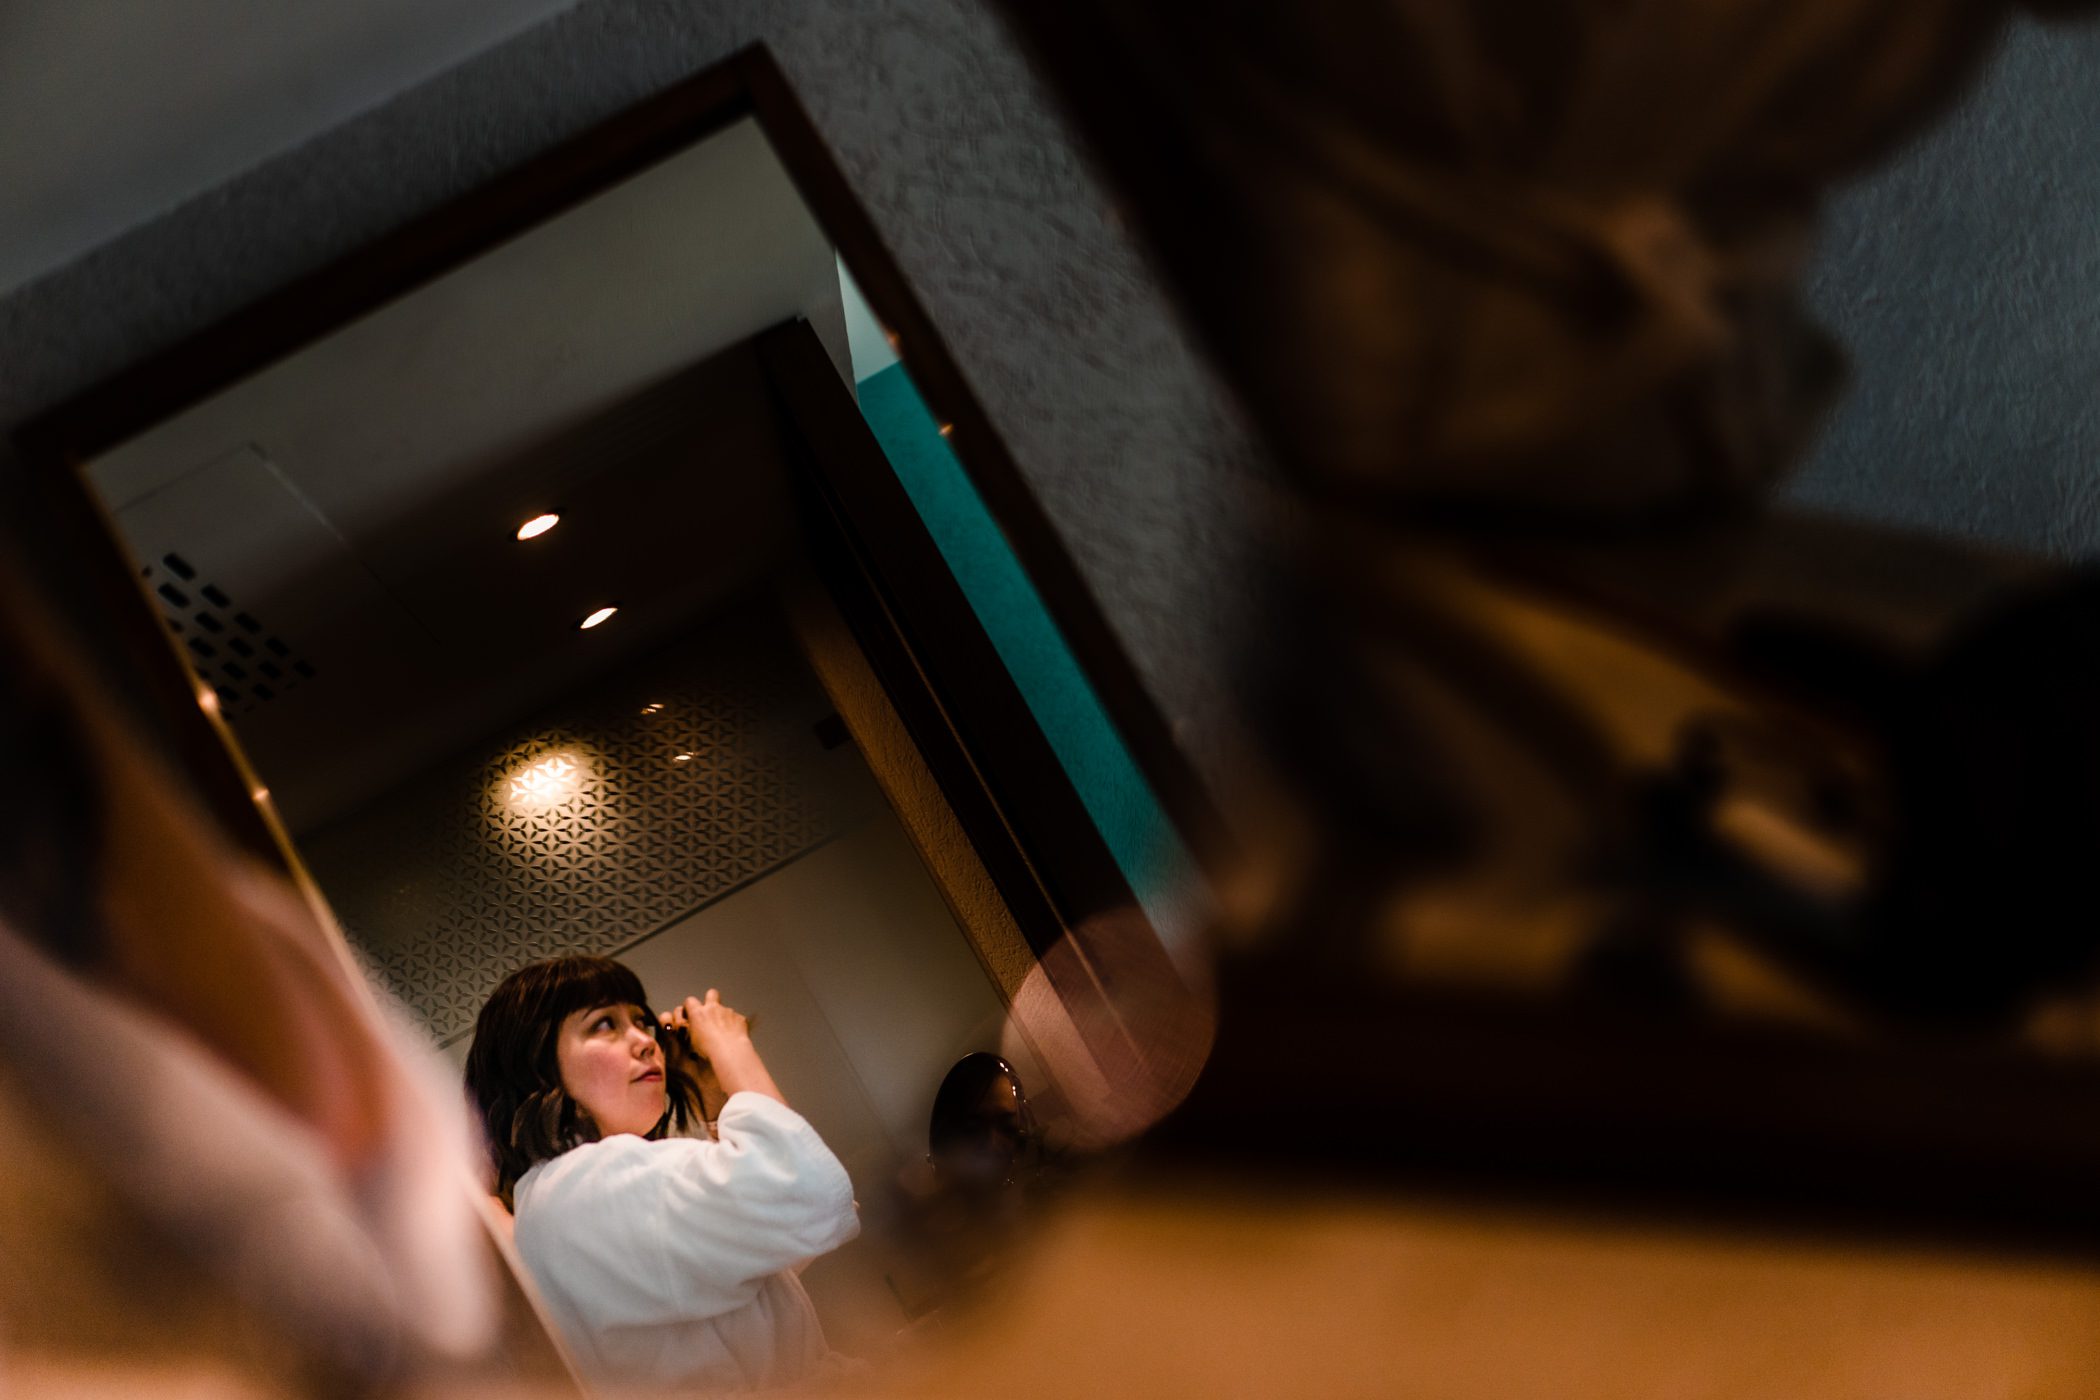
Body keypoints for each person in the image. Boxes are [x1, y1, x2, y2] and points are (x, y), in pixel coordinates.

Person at [463, 955, 859, 1391]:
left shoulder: (572, 1189)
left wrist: (714, 1098)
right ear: (537, 1066)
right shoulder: (587, 1184)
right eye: (603, 1025)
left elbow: (763, 1251)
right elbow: (803, 1197)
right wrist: (731, 1049)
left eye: (638, 1021)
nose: (645, 1042)